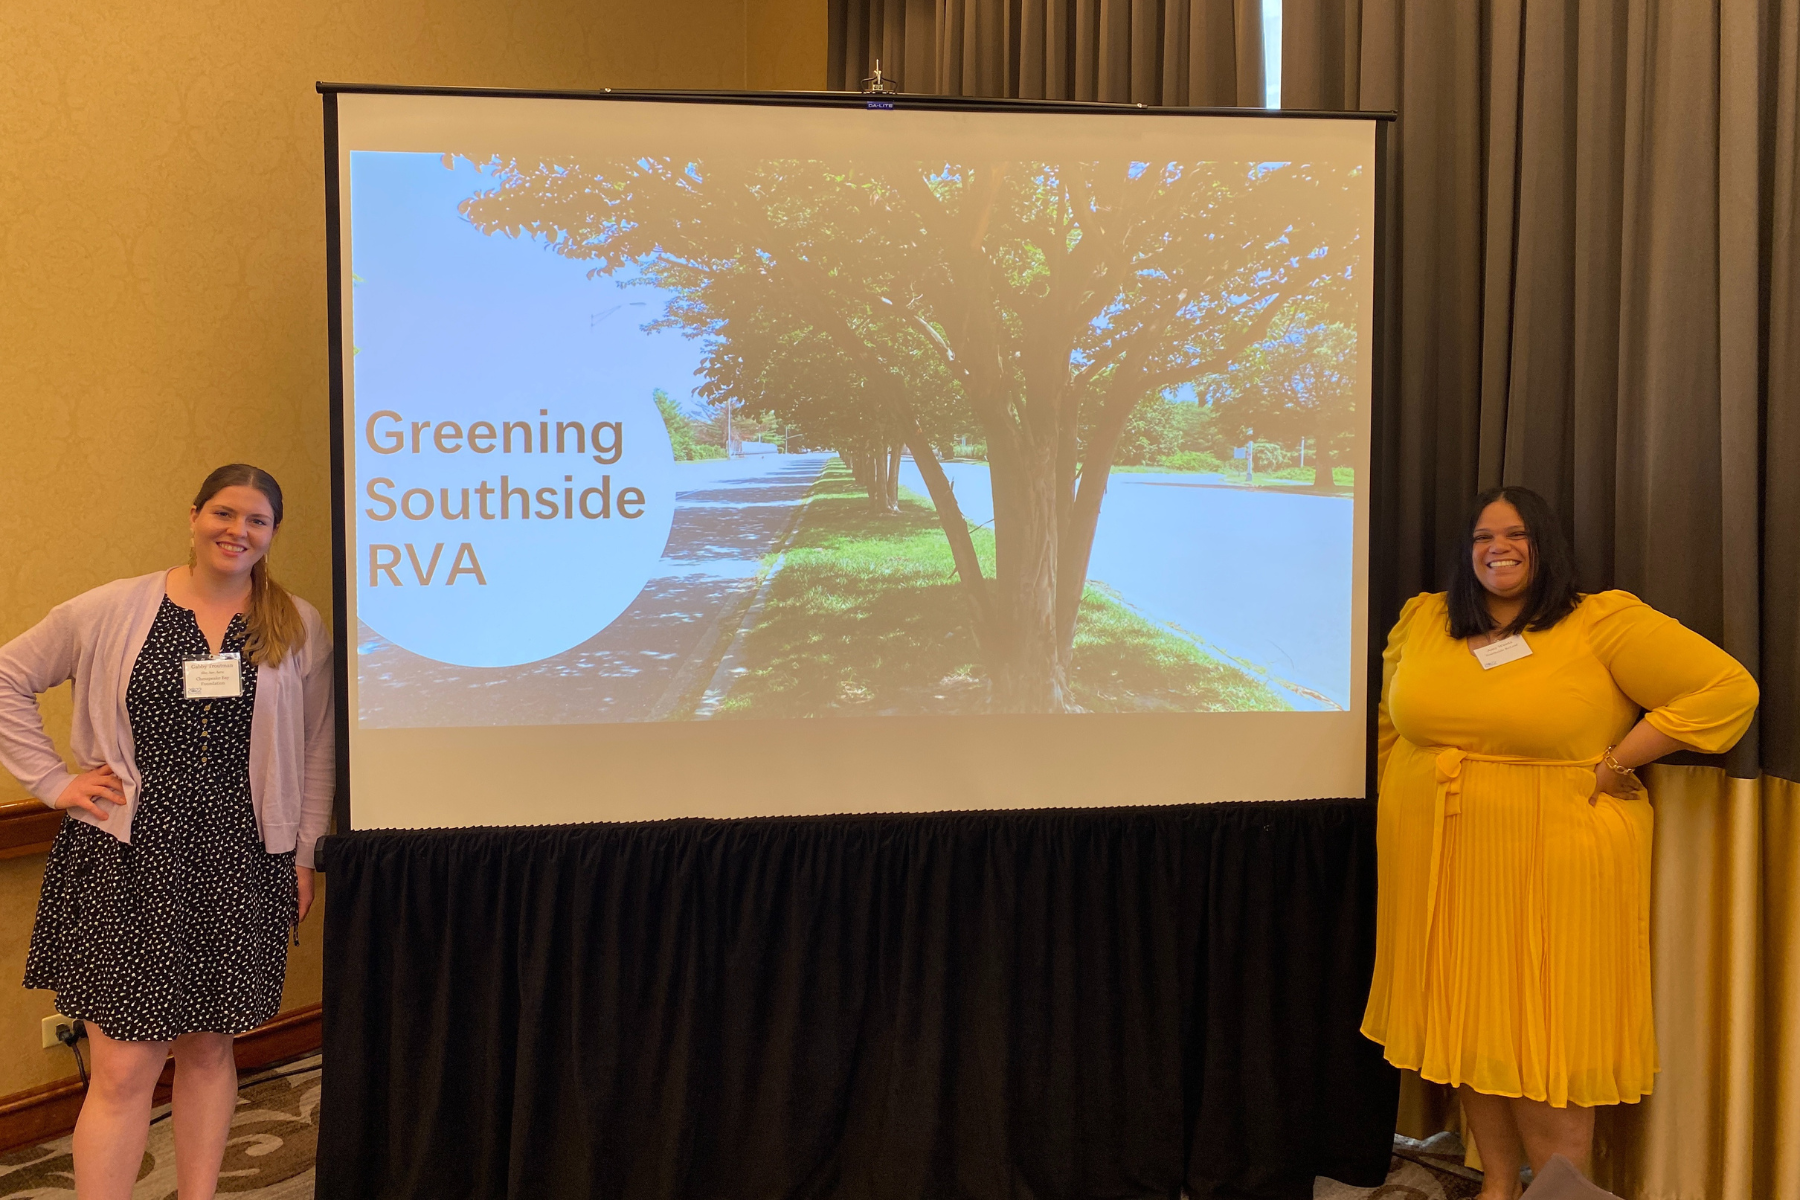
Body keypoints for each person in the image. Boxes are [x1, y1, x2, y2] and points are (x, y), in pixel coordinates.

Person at [1361, 486, 1758, 1199]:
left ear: (1545, 546)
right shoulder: (1425, 619)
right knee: (1470, 1025)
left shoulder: (1601, 621)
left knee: (1549, 1035)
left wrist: (1617, 763)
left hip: (1558, 854)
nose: (1497, 548)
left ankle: (1560, 1192)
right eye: (1482, 537)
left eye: (1516, 535)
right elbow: (1393, 731)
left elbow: (1724, 689)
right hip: (1442, 861)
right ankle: (1498, 1186)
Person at [0, 464, 333, 1200]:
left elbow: (314, 753)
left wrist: (303, 856)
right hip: (130, 855)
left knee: (211, 1048)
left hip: (242, 858)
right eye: (224, 513)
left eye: (256, 521)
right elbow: (7, 675)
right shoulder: (114, 609)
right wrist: (55, 783)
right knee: (124, 1067)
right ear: (192, 516)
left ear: (272, 534)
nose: (236, 531)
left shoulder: (297, 624)